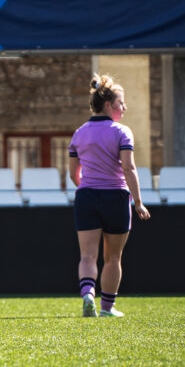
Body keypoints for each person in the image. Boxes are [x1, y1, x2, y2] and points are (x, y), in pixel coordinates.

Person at [68, 74, 151, 318]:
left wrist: (89, 188)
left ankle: (88, 295)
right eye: (121, 103)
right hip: (116, 198)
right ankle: (106, 308)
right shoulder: (122, 132)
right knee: (113, 257)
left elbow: (73, 174)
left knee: (87, 256)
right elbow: (129, 168)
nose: (124, 108)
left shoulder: (79, 133)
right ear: (108, 105)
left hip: (86, 198)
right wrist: (138, 202)